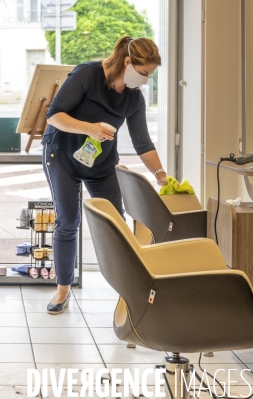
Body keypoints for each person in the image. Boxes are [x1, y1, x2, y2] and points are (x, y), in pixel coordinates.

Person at [42, 36, 166, 314]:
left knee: (115, 222)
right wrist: (90, 128)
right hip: (61, 154)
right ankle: (63, 290)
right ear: (128, 62)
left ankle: (129, 291)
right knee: (68, 221)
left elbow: (143, 143)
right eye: (143, 73)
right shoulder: (88, 74)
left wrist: (161, 175)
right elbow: (54, 115)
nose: (145, 80)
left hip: (101, 162)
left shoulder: (134, 98)